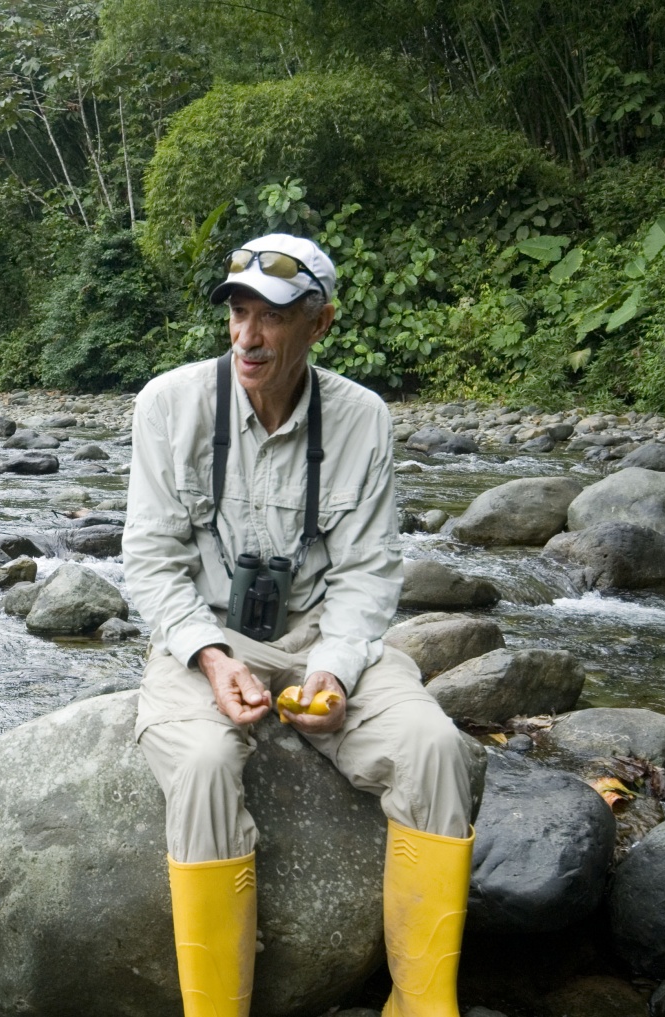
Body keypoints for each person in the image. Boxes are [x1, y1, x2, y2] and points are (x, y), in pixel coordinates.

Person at [123, 233, 479, 1017]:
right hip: (206, 634)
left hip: (323, 632)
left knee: (434, 748)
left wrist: (335, 670)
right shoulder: (168, 405)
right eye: (238, 313)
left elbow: (368, 572)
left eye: (272, 317)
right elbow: (150, 563)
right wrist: (212, 657)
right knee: (204, 763)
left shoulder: (363, 419)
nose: (248, 336)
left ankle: (421, 1006)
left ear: (320, 323)